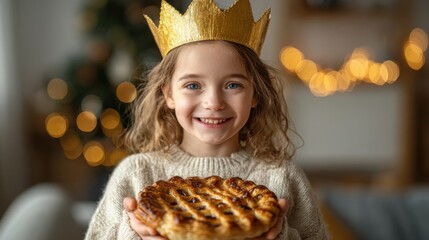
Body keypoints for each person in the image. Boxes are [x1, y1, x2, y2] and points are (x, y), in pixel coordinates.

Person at [85, 0, 329, 239]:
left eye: (233, 85)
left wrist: (281, 236)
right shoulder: (137, 174)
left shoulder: (283, 177)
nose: (214, 102)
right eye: (193, 85)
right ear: (169, 94)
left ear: (255, 93)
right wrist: (134, 234)